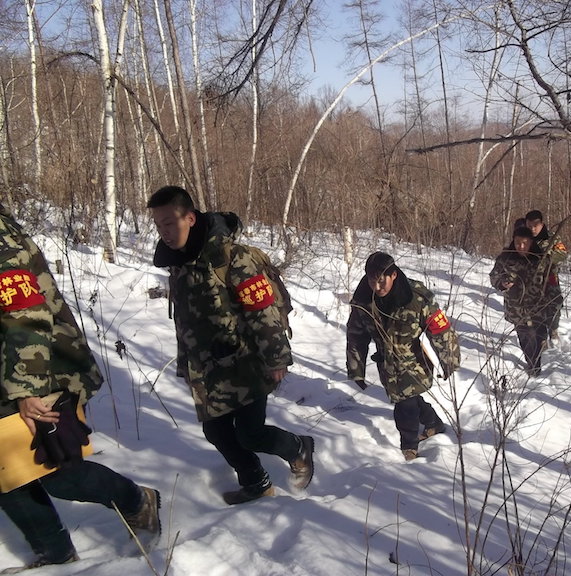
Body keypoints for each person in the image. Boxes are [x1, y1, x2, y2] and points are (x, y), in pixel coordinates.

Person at [0, 205, 160, 573]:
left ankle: (137, 501)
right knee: (6, 474)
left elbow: (26, 312)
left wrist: (28, 388)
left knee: (58, 471)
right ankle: (56, 555)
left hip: (38, 370)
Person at [147, 186, 313, 505]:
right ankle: (256, 482)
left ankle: (298, 448)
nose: (163, 232)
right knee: (217, 433)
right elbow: (188, 319)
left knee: (250, 433)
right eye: (158, 225)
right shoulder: (179, 263)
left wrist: (277, 358)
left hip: (246, 361)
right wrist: (188, 363)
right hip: (207, 368)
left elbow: (262, 310)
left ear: (190, 219)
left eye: (169, 223)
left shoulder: (232, 258)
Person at [346, 252, 460, 461]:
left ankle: (409, 447)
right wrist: (356, 369)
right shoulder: (363, 299)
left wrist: (449, 360)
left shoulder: (416, 297)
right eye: (372, 280)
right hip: (386, 365)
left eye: (382, 281)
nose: (377, 287)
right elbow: (356, 336)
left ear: (394, 275)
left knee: (404, 405)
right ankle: (433, 422)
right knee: (410, 398)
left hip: (414, 361)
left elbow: (440, 330)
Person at [489, 226, 550, 376]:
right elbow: (494, 276)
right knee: (525, 336)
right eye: (517, 243)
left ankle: (537, 355)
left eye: (525, 243)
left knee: (539, 334)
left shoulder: (541, 259)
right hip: (516, 307)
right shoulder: (506, 258)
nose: (520, 247)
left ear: (531, 242)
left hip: (539, 306)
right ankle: (533, 364)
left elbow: (551, 281)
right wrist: (502, 283)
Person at [525, 210, 567, 344]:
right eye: (530, 225)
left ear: (542, 224)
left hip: (550, 278)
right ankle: (539, 338)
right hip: (531, 280)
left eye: (535, 225)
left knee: (555, 304)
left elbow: (562, 254)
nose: (532, 228)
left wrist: (547, 257)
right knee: (534, 310)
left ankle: (553, 329)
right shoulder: (523, 238)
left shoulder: (552, 238)